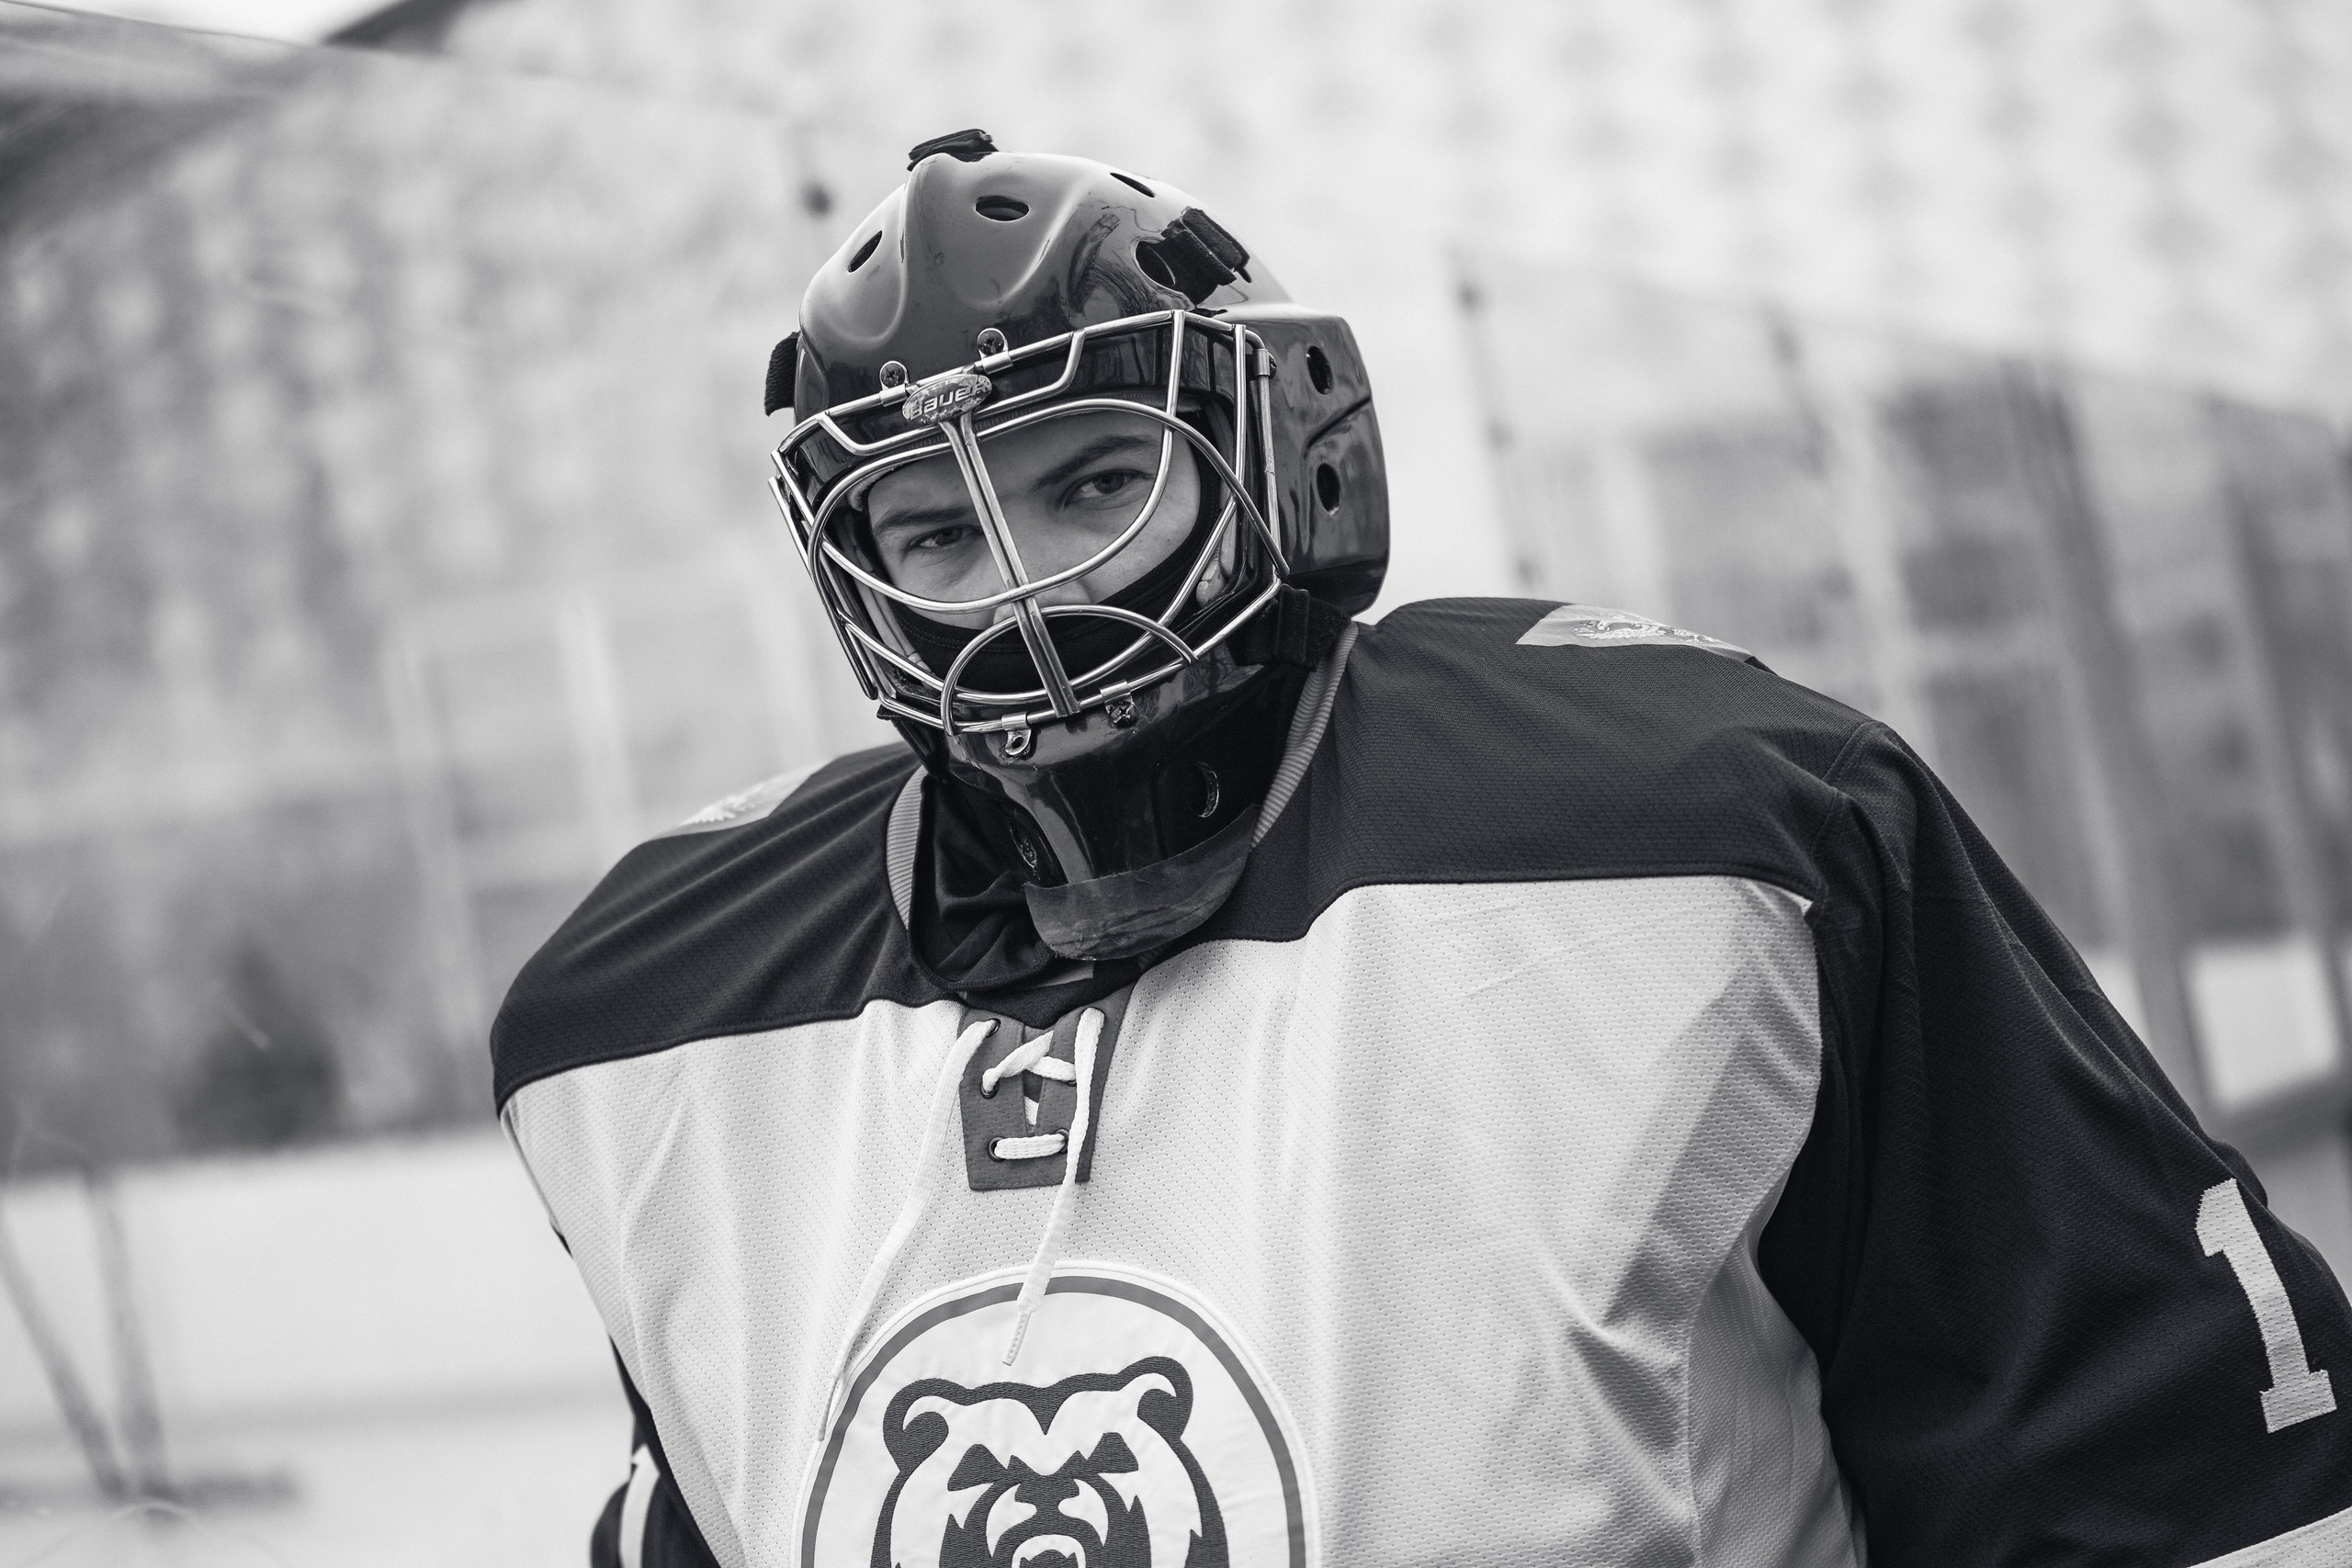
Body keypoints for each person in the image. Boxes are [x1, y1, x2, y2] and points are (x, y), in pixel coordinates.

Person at [493, 129, 2352, 1568]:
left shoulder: (1702, 821)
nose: (1027, 595)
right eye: (930, 530)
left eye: (1087, 481)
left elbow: (2134, 1464)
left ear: (1272, 446)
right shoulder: (638, 1016)